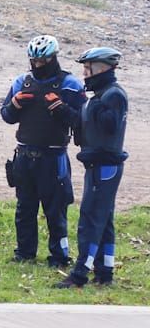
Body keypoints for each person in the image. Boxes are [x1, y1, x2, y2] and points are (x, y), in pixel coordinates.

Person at [0, 35, 86, 268]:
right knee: (24, 208)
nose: (37, 66)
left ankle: (59, 256)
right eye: (33, 61)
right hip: (25, 155)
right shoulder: (22, 82)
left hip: (53, 157)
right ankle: (24, 253)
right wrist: (15, 104)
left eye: (42, 61)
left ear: (53, 58)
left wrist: (61, 109)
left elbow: (83, 121)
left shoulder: (71, 84)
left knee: (56, 210)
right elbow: (6, 116)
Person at [55, 47, 128, 289]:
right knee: (104, 219)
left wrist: (93, 106)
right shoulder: (98, 95)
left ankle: (79, 274)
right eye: (84, 68)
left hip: (105, 166)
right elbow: (84, 124)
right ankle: (104, 272)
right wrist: (65, 112)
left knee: (90, 219)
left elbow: (110, 126)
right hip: (96, 165)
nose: (85, 74)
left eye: (89, 68)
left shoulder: (113, 95)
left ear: (104, 68)